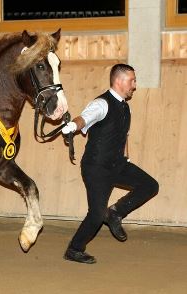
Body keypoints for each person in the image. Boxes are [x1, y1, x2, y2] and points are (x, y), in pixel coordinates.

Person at [61, 64, 159, 264]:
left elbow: (123, 135)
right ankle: (74, 249)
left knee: (150, 185)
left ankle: (115, 212)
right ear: (119, 81)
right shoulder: (101, 104)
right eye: (131, 80)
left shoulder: (125, 106)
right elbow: (85, 118)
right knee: (96, 215)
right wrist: (73, 125)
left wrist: (127, 157)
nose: (134, 85)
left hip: (118, 164)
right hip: (97, 167)